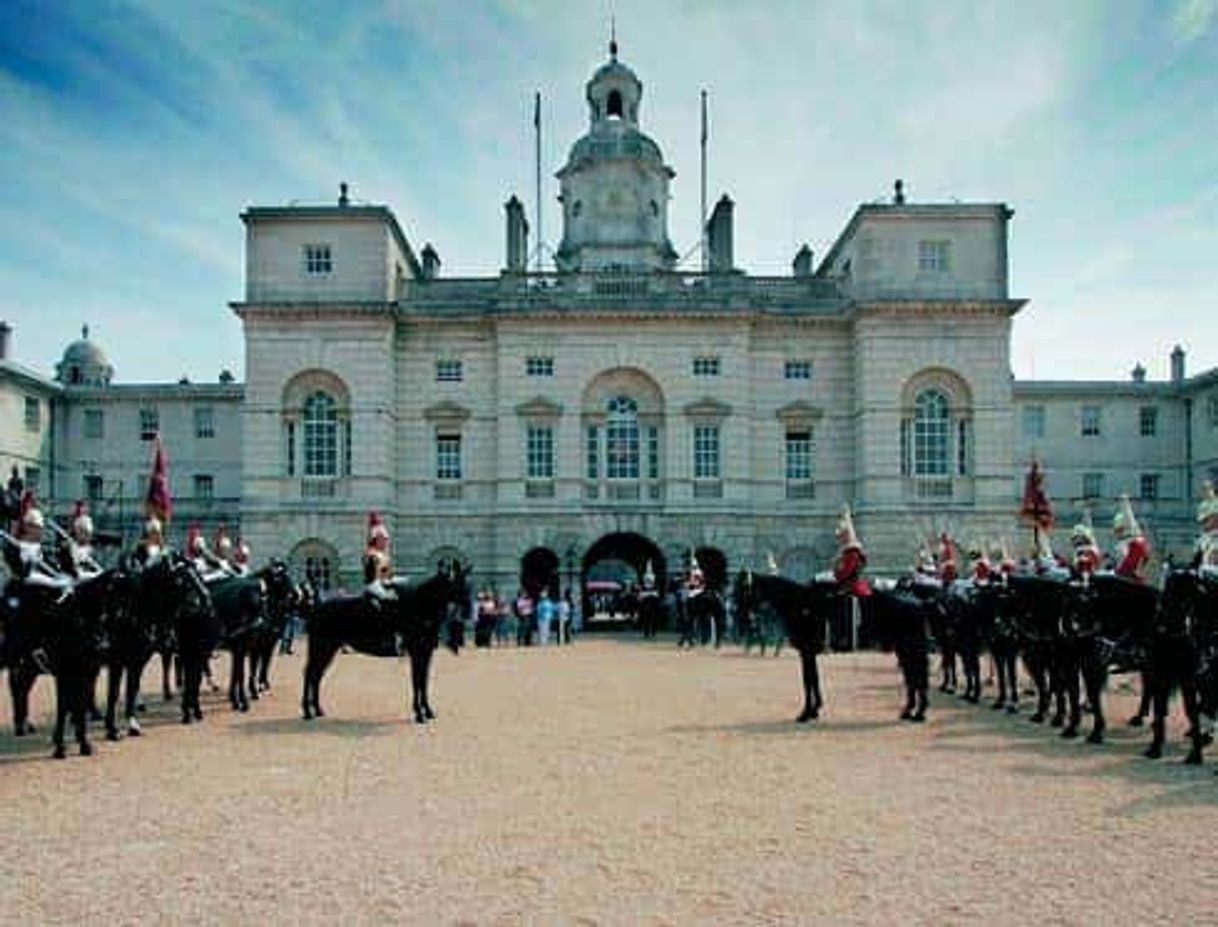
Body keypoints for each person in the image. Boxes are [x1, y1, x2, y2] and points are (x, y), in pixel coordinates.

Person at [1111, 494, 1150, 583]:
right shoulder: (1138, 538)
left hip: (1126, 574)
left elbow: (1127, 513)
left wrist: (1124, 502)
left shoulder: (1127, 541)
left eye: (1117, 530)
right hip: (1132, 570)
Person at [64, 500, 103, 582]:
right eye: (83, 533)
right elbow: (73, 570)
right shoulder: (70, 546)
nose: (87, 537)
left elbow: (93, 566)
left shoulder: (90, 548)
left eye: (88, 534)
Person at [363, 511, 395, 604]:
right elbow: (371, 579)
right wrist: (384, 593)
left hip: (383, 584)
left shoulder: (384, 555)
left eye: (385, 540)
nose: (384, 542)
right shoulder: (371, 554)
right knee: (388, 598)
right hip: (373, 587)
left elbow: (387, 575)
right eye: (382, 539)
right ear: (375, 541)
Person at [1194, 480, 1218, 575]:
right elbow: (1203, 521)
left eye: (1208, 489)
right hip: (1207, 534)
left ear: (1212, 489)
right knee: (1201, 550)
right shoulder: (1202, 505)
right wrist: (1211, 517)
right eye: (1204, 490)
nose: (1206, 492)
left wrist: (1212, 517)